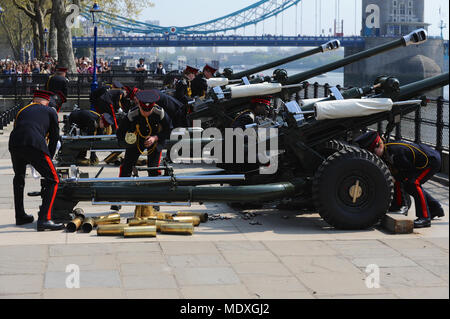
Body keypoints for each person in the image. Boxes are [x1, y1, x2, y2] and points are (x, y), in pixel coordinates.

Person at [354, 131, 445, 228]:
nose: (374, 156)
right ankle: (434, 208)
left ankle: (425, 218)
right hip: (421, 162)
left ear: (378, 145)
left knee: (413, 184)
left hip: (431, 161)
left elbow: (408, 170)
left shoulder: (396, 151)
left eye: (373, 152)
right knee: (407, 184)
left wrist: (396, 178)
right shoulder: (386, 152)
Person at [8, 90, 64, 231]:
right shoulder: (50, 111)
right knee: (54, 180)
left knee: (19, 177)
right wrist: (49, 159)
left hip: (14, 143)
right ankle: (45, 219)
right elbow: (54, 138)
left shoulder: (22, 111)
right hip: (34, 143)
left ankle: (20, 215)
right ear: (45, 102)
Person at [113, 90, 172, 211]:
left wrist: (155, 138)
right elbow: (120, 132)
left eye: (148, 111)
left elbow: (168, 129)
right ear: (139, 105)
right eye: (143, 110)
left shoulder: (159, 112)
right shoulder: (132, 114)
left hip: (155, 140)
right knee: (126, 167)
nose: (146, 113)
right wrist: (127, 140)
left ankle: (155, 200)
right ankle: (119, 198)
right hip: (136, 140)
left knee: (153, 169)